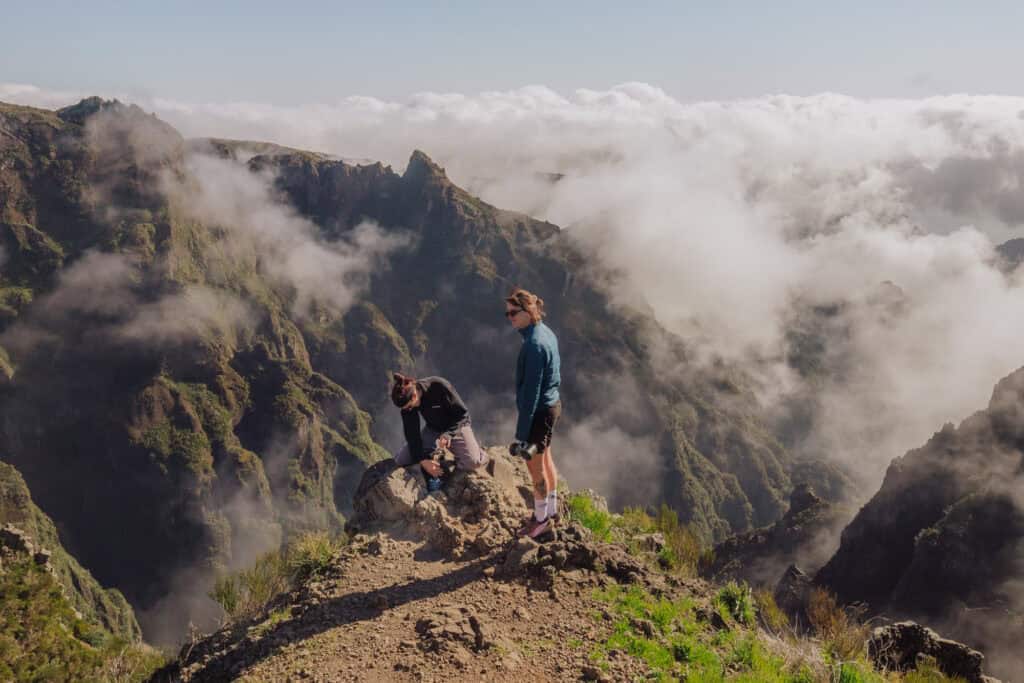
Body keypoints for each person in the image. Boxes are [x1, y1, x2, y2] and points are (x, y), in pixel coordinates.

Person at [505, 287, 562, 539]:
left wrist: (521, 434)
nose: (510, 318)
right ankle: (551, 510)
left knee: (535, 468)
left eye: (513, 313)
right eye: (507, 314)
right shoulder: (545, 333)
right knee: (546, 458)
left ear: (528, 312)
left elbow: (531, 395)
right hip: (552, 407)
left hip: (539, 412)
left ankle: (540, 522)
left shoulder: (534, 345)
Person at [391, 373, 488, 489]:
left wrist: (449, 435)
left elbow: (462, 415)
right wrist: (423, 461)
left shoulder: (438, 386)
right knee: (401, 459)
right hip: (433, 428)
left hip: (457, 426)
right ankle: (436, 459)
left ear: (414, 396)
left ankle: (481, 454)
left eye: (409, 406)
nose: (407, 410)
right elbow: (412, 435)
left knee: (473, 462)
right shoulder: (407, 405)